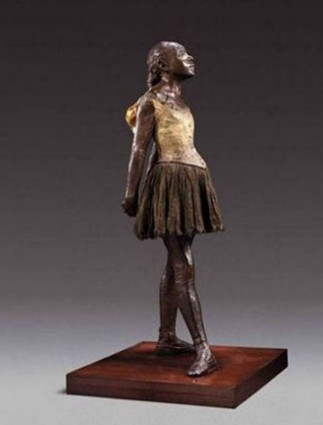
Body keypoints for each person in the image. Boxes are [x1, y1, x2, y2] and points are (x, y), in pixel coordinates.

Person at [121, 41, 224, 377]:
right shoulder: (149, 102)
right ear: (163, 65)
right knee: (183, 262)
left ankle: (166, 336)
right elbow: (140, 149)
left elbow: (158, 148)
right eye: (181, 54)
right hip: (171, 181)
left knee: (175, 258)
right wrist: (132, 193)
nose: (189, 58)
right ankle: (203, 346)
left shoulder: (180, 102)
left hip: (189, 178)